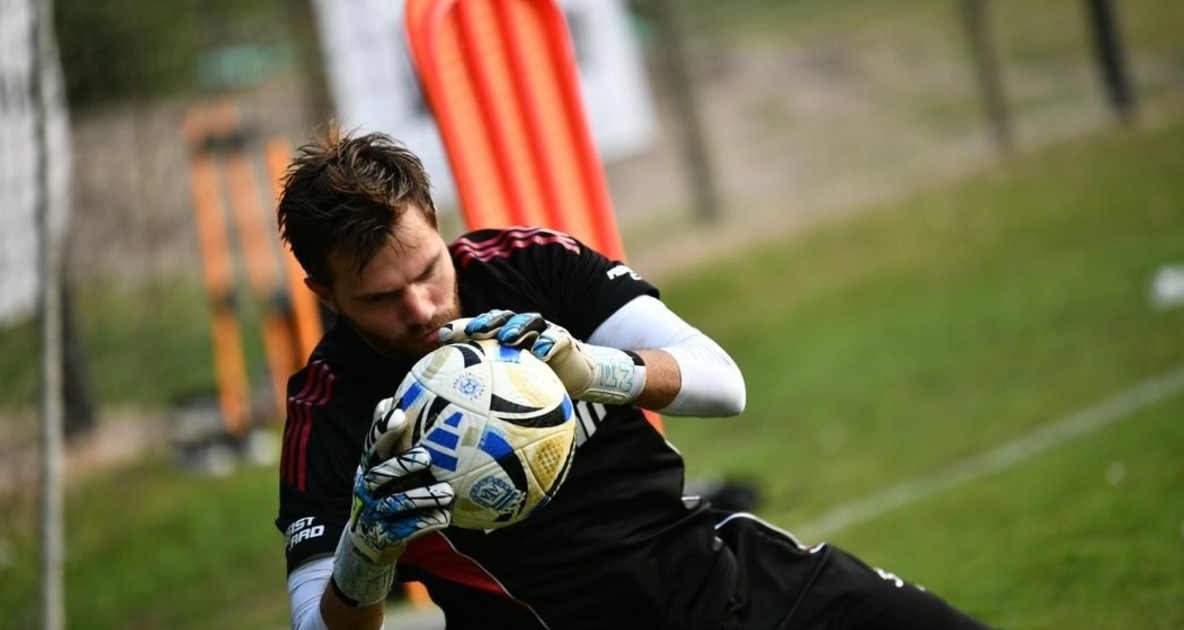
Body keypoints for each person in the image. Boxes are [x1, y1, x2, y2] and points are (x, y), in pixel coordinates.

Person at [273, 127, 995, 630]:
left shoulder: (530, 266)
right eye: (380, 298)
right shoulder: (328, 410)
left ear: (434, 222)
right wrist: (365, 551)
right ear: (324, 293)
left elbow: (724, 382)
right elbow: (315, 624)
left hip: (717, 581)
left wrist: (595, 370)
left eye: (428, 270)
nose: (421, 308)